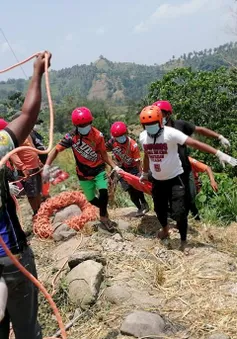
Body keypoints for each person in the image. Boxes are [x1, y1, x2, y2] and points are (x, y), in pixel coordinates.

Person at [0, 51, 51, 339]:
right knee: (27, 329)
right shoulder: (0, 144)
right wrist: (37, 72)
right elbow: (28, 115)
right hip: (10, 256)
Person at [139, 105, 237, 250]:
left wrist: (218, 153)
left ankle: (183, 241)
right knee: (159, 210)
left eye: (152, 124)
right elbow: (147, 155)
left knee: (179, 211)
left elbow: (195, 143)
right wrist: (145, 173)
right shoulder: (143, 137)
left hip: (175, 178)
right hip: (158, 180)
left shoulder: (171, 133)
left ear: (160, 121)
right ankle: (165, 230)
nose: (150, 128)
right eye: (147, 125)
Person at [42, 107, 121, 232]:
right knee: (91, 199)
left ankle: (103, 217)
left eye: (86, 124)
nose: (84, 126)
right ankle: (104, 211)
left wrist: (115, 167)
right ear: (76, 125)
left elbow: (104, 154)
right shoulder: (71, 137)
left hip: (99, 170)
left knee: (103, 192)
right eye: (81, 125)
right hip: (83, 173)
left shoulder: (98, 136)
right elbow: (56, 149)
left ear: (91, 122)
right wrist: (46, 166)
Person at [152, 100, 230, 217]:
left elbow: (200, 130)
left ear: (168, 114)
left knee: (190, 197)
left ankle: (193, 217)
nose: (158, 116)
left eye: (160, 113)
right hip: (167, 171)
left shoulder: (180, 126)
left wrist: (219, 137)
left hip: (184, 169)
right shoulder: (153, 132)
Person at [106, 121, 149, 217]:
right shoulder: (112, 142)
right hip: (121, 168)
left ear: (126, 133)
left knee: (137, 188)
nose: (120, 138)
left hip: (133, 168)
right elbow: (104, 151)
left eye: (122, 135)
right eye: (117, 137)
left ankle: (144, 204)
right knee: (129, 190)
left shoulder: (133, 145)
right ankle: (139, 208)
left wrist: (141, 173)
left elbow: (138, 161)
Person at [8, 112, 42, 216]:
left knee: (37, 190)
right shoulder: (15, 135)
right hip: (26, 169)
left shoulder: (27, 132)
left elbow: (32, 147)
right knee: (31, 193)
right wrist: (23, 167)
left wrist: (39, 161)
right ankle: (36, 213)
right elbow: (12, 154)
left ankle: (40, 210)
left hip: (35, 167)